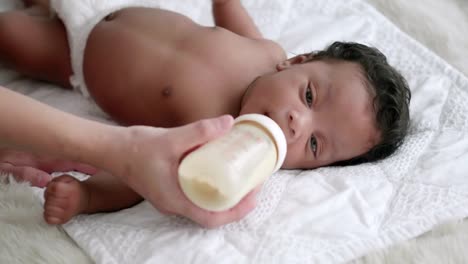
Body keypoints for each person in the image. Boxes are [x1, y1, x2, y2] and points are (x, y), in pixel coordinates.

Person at [0, 0, 411, 225]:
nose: (297, 124)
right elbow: (230, 15)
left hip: (74, 57)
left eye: (316, 144)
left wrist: (89, 196)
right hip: (110, 6)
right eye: (308, 96)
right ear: (299, 60)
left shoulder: (220, 139)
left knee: (10, 36)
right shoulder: (269, 52)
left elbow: (142, 175)